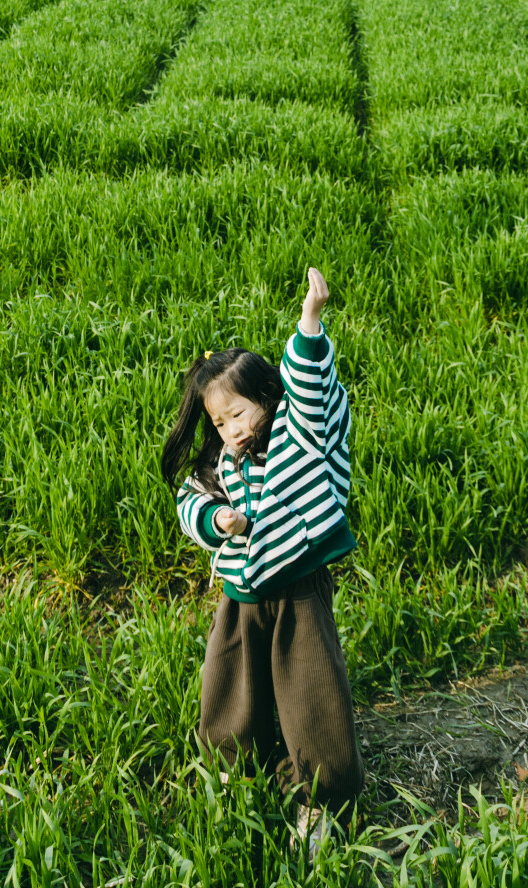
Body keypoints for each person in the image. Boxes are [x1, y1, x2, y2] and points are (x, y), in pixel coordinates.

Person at [159, 267, 364, 859]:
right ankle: (234, 771)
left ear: (268, 399)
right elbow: (188, 502)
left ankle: (319, 801)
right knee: (230, 686)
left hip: (299, 589)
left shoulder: (303, 434)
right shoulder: (224, 464)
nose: (231, 429)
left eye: (240, 413)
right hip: (241, 595)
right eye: (219, 421)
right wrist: (216, 522)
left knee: (311, 693)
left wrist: (309, 323)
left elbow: (311, 387)